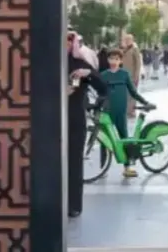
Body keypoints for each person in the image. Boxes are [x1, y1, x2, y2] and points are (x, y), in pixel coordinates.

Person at [65, 32, 106, 217]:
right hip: (51, 121)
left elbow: (103, 86)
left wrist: (88, 73)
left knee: (74, 162)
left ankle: (73, 205)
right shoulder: (48, 62)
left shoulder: (79, 64)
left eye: (68, 41)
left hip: (74, 119)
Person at [100, 49, 152, 178]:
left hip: (121, 111)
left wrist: (144, 102)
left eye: (116, 59)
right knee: (103, 138)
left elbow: (133, 92)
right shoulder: (104, 75)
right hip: (107, 111)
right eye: (111, 59)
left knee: (124, 137)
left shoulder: (124, 74)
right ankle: (102, 168)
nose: (114, 61)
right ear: (108, 60)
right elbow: (99, 93)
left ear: (121, 61)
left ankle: (127, 166)